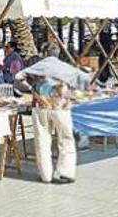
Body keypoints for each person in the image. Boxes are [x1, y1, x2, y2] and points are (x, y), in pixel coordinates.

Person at [15, 48, 76, 184]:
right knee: (65, 138)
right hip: (61, 107)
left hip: (41, 106)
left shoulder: (39, 67)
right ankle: (66, 171)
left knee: (42, 140)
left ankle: (45, 175)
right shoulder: (65, 67)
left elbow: (18, 76)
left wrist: (31, 89)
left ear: (46, 54)